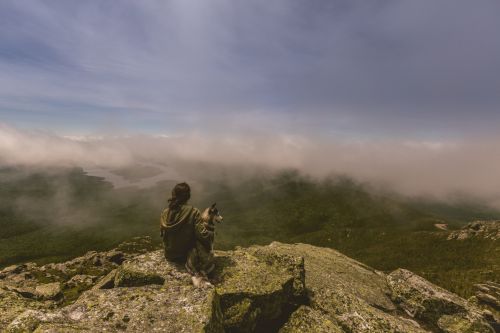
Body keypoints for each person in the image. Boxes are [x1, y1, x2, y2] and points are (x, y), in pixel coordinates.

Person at [159, 182, 215, 286]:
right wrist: (210, 229)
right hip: (185, 256)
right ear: (188, 196)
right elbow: (203, 236)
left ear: (173, 194)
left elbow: (162, 235)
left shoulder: (165, 213)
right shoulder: (194, 212)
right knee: (201, 242)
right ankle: (198, 272)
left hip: (169, 255)